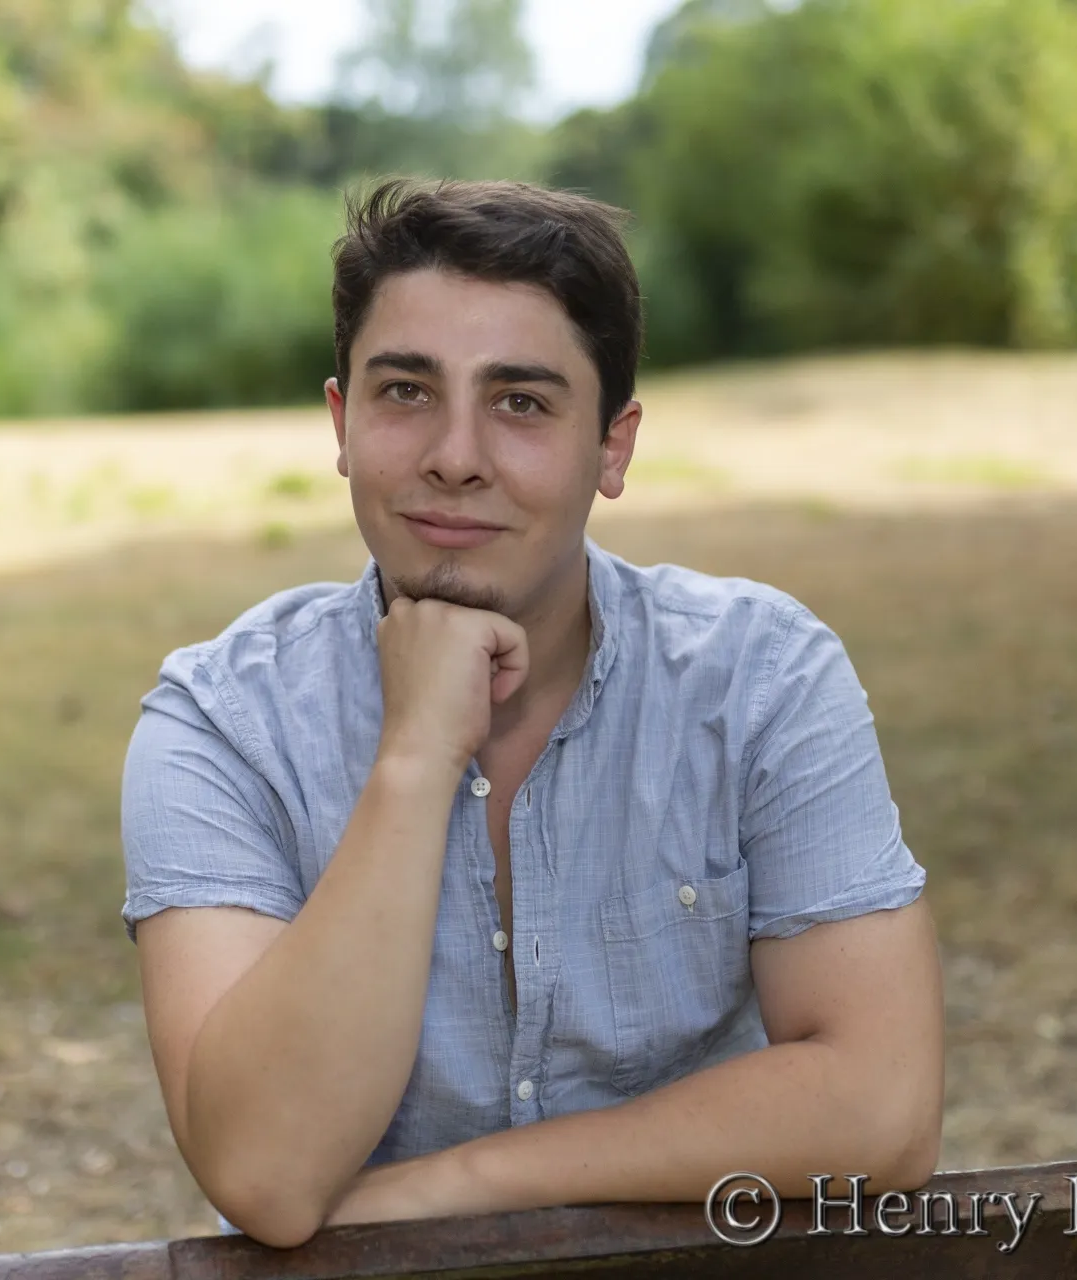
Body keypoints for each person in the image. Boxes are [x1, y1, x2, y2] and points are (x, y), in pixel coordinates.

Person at [119, 178, 944, 1249]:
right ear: (341, 423)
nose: (455, 456)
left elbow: (881, 1106)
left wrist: (458, 1183)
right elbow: (265, 1171)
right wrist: (416, 754)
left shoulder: (761, 678)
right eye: (405, 390)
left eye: (520, 402)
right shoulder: (221, 724)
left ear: (613, 446)